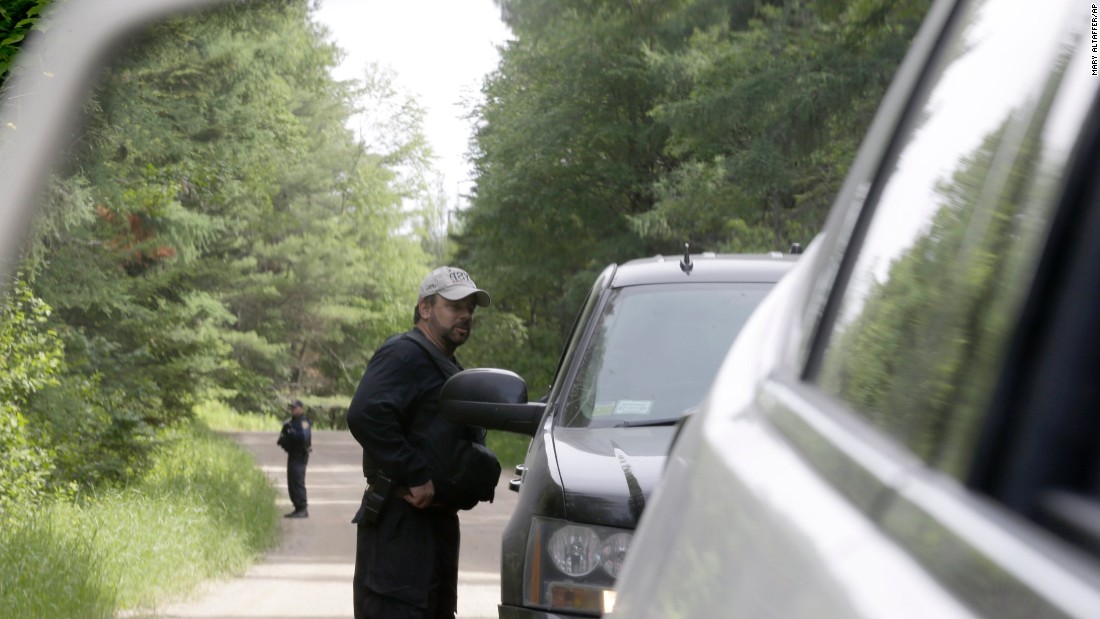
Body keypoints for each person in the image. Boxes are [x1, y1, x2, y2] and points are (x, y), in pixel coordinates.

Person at [347, 266, 493, 619]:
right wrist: (413, 473)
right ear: (425, 308)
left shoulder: (444, 363)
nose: (465, 315)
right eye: (454, 306)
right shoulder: (404, 353)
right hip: (401, 525)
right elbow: (365, 413)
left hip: (435, 525)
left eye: (470, 308)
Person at [277, 399, 311, 518]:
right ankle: (297, 507)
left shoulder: (304, 421)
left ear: (301, 408)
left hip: (300, 456)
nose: (293, 410)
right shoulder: (291, 422)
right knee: (291, 482)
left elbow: (304, 437)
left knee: (297, 481)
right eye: (292, 408)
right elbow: (282, 438)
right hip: (292, 454)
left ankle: (302, 508)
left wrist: (291, 433)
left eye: (295, 408)